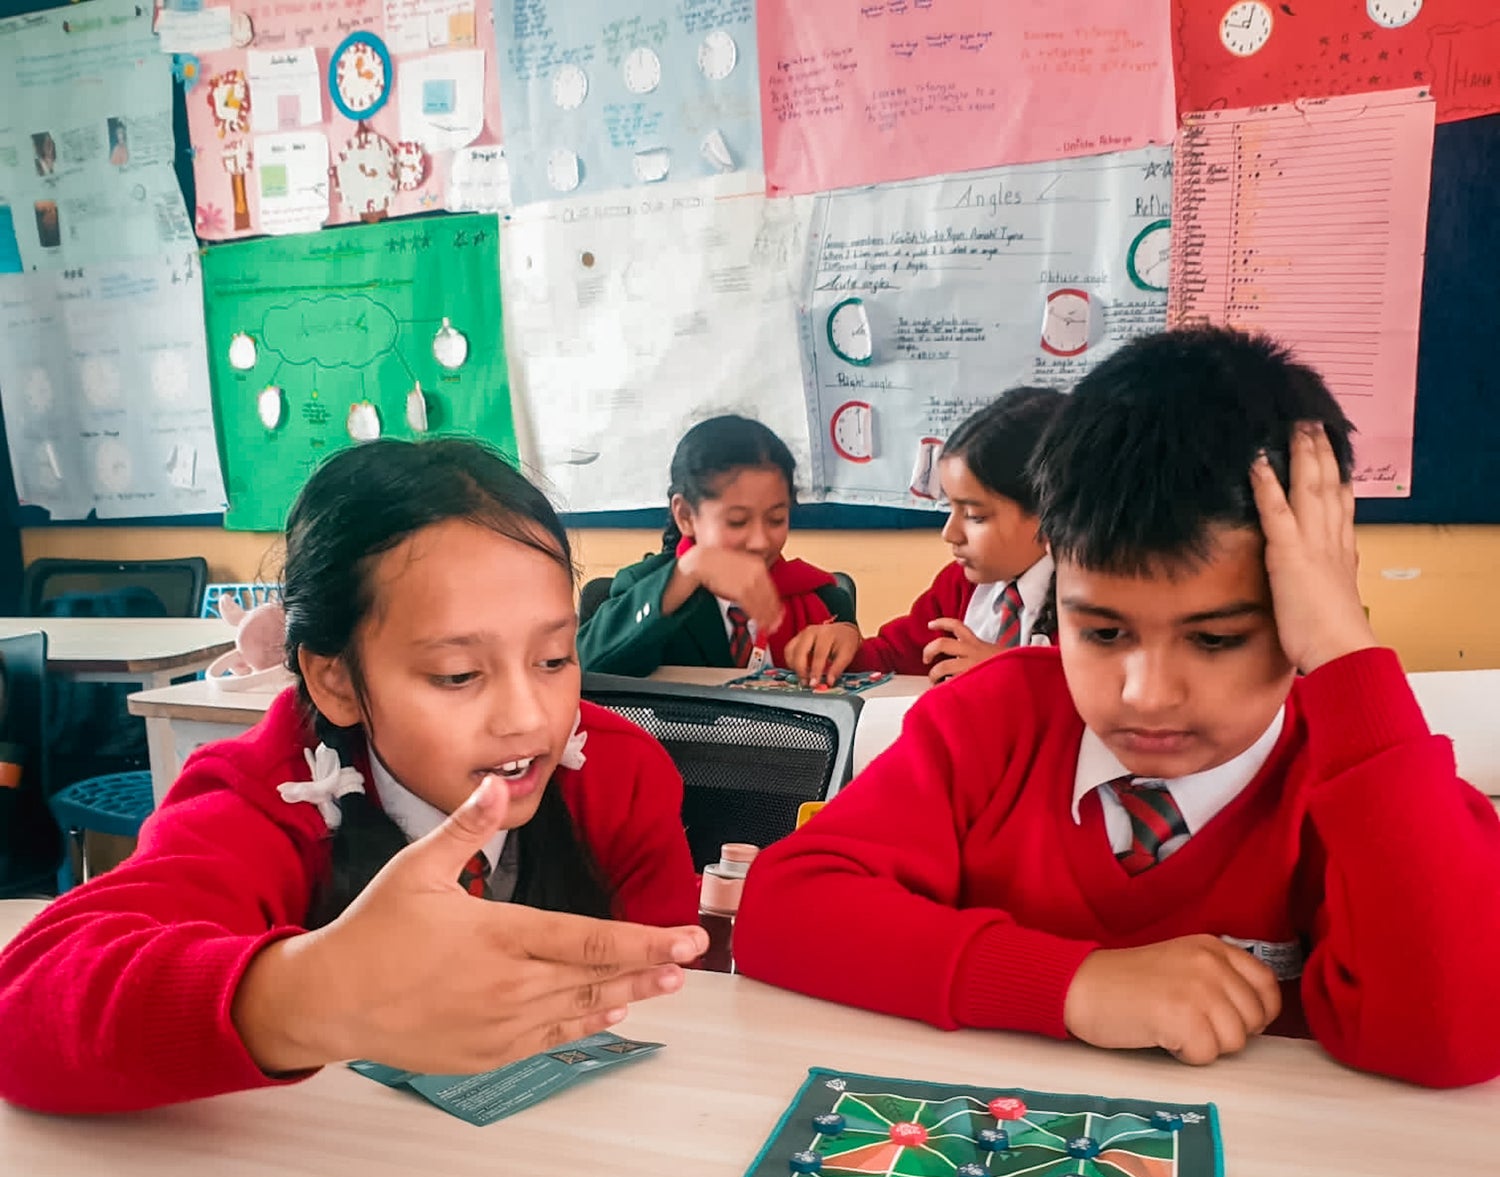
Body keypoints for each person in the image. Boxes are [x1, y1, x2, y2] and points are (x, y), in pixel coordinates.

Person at [734, 328, 1500, 1088]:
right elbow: (780, 910)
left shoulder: (1347, 777)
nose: (1146, 693)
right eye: (1101, 631)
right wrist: (1075, 984)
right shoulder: (996, 718)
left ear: (1306, 612)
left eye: (1216, 639)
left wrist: (1343, 650)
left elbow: (1452, 1031)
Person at [0, 439, 705, 1115]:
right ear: (333, 679)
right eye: (457, 675)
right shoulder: (269, 794)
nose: (529, 718)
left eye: (553, 659)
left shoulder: (616, 772)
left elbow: (687, 1020)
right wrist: (303, 995)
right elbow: (24, 1008)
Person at [787, 387, 1064, 684]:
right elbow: (895, 658)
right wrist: (847, 643)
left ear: (1048, 512)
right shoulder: (959, 585)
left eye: (974, 516)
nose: (950, 533)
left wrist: (1009, 674)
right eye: (949, 508)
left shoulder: (1091, 599)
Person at [578, 415, 856, 676]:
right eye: (737, 522)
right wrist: (685, 575)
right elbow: (586, 667)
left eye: (776, 519)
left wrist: (850, 640)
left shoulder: (821, 599)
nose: (760, 541)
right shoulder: (649, 589)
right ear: (686, 516)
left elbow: (863, 691)